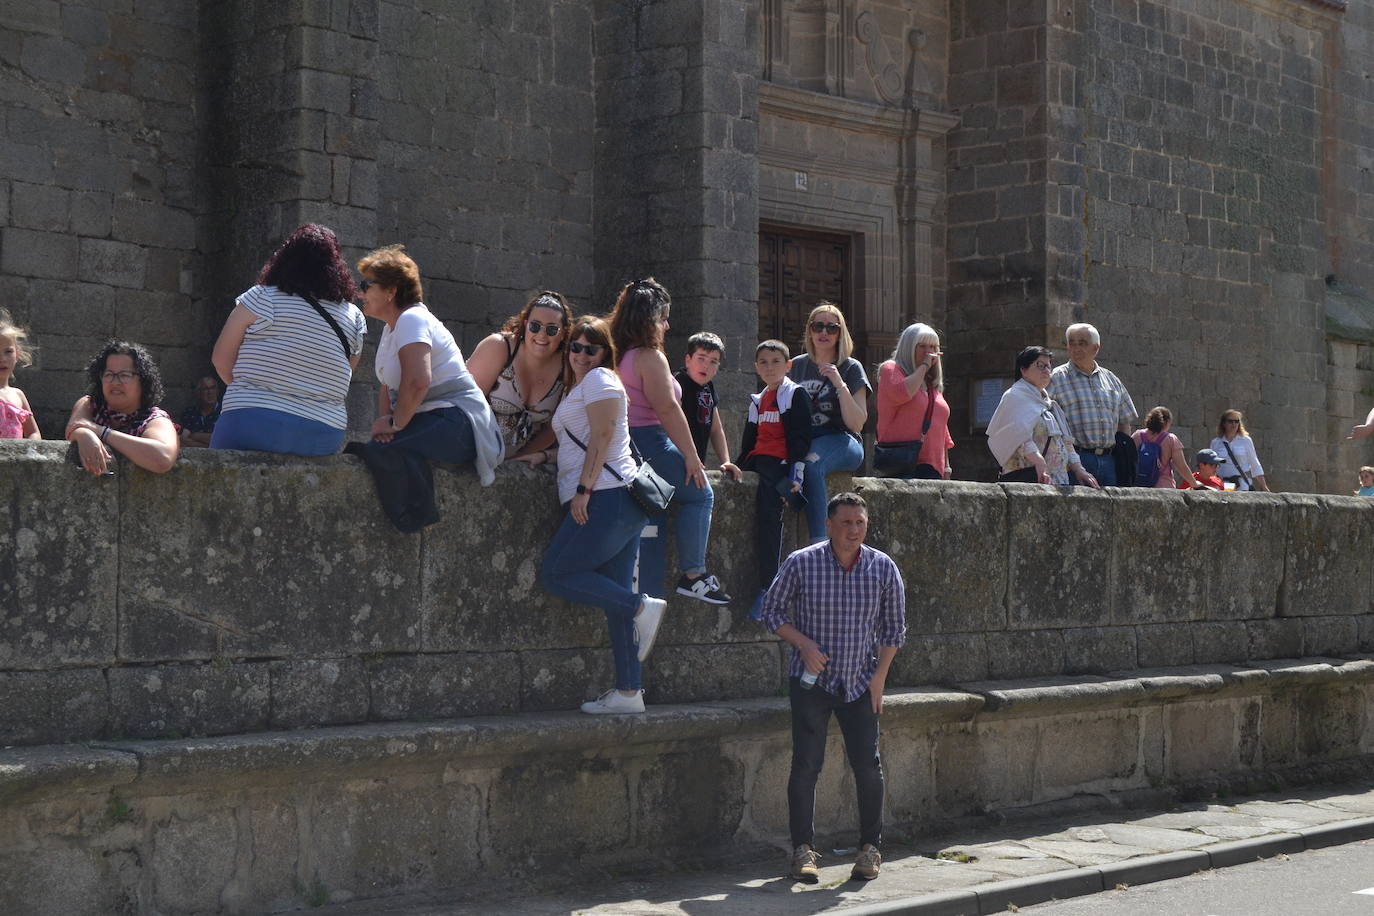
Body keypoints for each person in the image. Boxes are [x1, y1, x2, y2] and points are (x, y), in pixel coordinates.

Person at [759, 492, 906, 884]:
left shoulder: (882, 567)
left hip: (861, 680)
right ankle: (802, 851)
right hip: (812, 682)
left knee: (868, 766)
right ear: (829, 524)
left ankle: (870, 849)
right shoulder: (801, 563)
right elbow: (770, 612)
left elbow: (894, 630)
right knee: (806, 765)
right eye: (846, 522)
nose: (853, 530)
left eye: (860, 523)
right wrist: (803, 644)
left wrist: (880, 678)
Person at [541, 315, 667, 715]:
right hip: (617, 500)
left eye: (589, 348)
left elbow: (603, 435)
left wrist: (584, 490)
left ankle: (642, 607)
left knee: (557, 574)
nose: (580, 354)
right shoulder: (585, 385)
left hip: (606, 498)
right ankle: (630, 692)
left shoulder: (601, 379)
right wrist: (541, 456)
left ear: (604, 352)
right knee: (614, 597)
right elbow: (580, 440)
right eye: (574, 347)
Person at [345, 245, 503, 532]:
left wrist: (394, 424)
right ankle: (417, 512)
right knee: (382, 449)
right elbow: (389, 386)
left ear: (391, 290)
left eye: (366, 285)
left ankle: (415, 516)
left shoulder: (411, 319)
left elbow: (418, 381)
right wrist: (386, 425)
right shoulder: (393, 328)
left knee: (367, 452)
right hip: (435, 420)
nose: (359, 293)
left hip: (458, 423)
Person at [610, 278, 729, 605]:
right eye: (663, 317)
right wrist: (692, 457)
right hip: (648, 439)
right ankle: (694, 575)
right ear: (649, 318)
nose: (668, 324)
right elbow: (666, 408)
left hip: (626, 439)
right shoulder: (649, 357)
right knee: (701, 494)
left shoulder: (618, 351)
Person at [210, 223, 367, 456]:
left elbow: (221, 360)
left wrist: (253, 393)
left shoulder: (261, 297)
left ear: (285, 259)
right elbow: (346, 375)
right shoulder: (353, 316)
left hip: (252, 421)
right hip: (322, 433)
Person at [736, 340, 812, 619]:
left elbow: (801, 439)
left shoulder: (795, 395)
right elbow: (749, 443)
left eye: (776, 361)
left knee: (770, 520)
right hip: (760, 461)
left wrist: (795, 476)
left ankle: (769, 587)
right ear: (756, 368)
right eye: (764, 363)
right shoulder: (758, 400)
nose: (770, 367)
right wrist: (736, 466)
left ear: (788, 365)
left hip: (779, 463)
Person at [788, 302, 870, 541]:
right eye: (818, 326)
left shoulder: (851, 368)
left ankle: (819, 542)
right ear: (809, 330)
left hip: (843, 440)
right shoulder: (796, 366)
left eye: (831, 328)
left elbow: (857, 423)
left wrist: (839, 384)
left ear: (840, 333)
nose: (824, 333)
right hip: (805, 441)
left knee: (812, 465)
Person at [466, 290, 571, 467]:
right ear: (525, 324)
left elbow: (554, 427)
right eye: (535, 326)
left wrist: (517, 460)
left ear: (563, 333)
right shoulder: (499, 347)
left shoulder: (568, 366)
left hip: (520, 463)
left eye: (552, 329)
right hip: (474, 452)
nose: (542, 335)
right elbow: (466, 403)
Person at [987, 346, 1100, 487]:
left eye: (1048, 366)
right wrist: (1039, 462)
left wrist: (1079, 469)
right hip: (1030, 479)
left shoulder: (1049, 404)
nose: (1046, 370)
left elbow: (1065, 442)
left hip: (1058, 481)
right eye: (1040, 365)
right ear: (1023, 370)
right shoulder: (1014, 397)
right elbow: (1018, 435)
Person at [65, 340, 179, 475]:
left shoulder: (154, 419)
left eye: (124, 375)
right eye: (109, 375)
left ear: (142, 381)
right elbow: (74, 426)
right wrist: (85, 434)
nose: (115, 382)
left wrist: (102, 432)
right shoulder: (89, 404)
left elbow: (163, 458)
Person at [1047, 323, 1137, 486]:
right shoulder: (1056, 379)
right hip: (1074, 460)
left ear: (1095, 348)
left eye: (1082, 343)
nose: (1076, 348)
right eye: (1072, 343)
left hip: (1110, 460)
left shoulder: (1111, 380)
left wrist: (1122, 454)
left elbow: (1124, 420)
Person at [874, 323, 953, 479]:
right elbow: (902, 393)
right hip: (902, 462)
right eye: (922, 346)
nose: (929, 352)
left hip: (933, 467)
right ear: (909, 348)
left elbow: (942, 429)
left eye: (933, 347)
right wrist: (924, 366)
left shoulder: (931, 384)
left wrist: (947, 467)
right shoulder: (891, 369)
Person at [674, 331, 742, 482]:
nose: (706, 366)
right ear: (688, 360)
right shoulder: (677, 384)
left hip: (697, 465)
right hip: (677, 462)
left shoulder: (708, 387)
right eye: (701, 358)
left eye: (713, 361)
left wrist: (725, 460)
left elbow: (716, 429)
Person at [1131, 406, 1201, 489]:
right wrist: (1194, 484)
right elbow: (1181, 466)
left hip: (1139, 486)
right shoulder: (1170, 439)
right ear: (1166, 422)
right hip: (1164, 486)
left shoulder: (1137, 436)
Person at [0, 309, 40, 439]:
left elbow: (34, 432)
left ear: (17, 355)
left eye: (8, 351)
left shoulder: (18, 395)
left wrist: (31, 445)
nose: (2, 359)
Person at [1210, 409, 1270, 491]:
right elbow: (1211, 467)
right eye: (1230, 421)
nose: (1234, 424)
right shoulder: (1216, 443)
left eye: (1236, 421)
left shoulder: (1246, 440)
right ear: (1224, 423)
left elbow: (1254, 463)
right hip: (1222, 485)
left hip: (1242, 485)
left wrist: (1264, 486)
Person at [178, 376, 222, 448]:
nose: (210, 392)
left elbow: (222, 440)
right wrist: (207, 444)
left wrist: (195, 435)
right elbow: (182, 439)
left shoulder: (224, 413)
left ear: (217, 391)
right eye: (205, 389)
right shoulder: (190, 413)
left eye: (213, 388)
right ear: (199, 392)